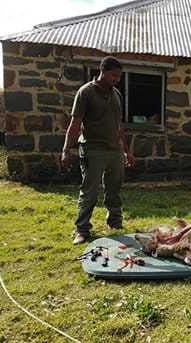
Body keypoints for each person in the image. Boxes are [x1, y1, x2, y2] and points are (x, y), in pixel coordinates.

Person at [61, 56, 136, 245]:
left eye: (119, 76)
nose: (117, 79)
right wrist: (66, 150)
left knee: (114, 189)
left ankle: (115, 222)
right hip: (92, 149)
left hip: (115, 151)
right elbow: (75, 124)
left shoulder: (116, 95)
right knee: (90, 191)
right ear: (102, 71)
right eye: (114, 75)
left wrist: (127, 151)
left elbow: (119, 126)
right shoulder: (85, 92)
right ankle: (82, 230)